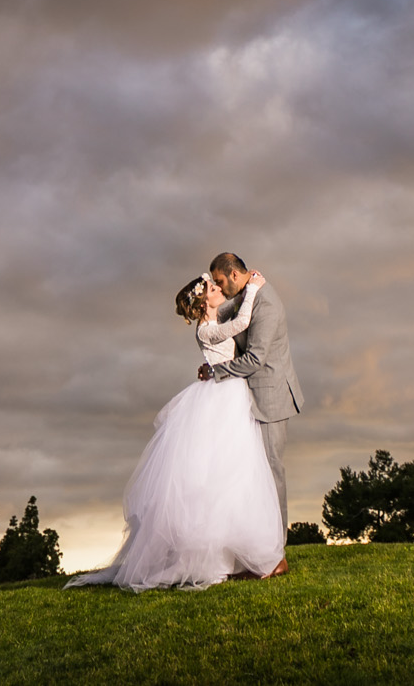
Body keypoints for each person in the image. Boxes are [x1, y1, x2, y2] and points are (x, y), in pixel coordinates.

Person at [67, 267, 288, 590]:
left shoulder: (213, 321)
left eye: (215, 284)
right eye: (210, 288)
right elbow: (241, 323)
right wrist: (254, 287)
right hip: (222, 397)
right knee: (223, 471)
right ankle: (233, 556)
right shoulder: (206, 329)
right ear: (202, 304)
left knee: (233, 471)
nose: (215, 288)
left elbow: (234, 321)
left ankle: (244, 553)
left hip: (228, 394)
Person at [200, 250, 304, 564]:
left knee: (272, 472)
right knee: (252, 474)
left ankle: (277, 551)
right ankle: (256, 546)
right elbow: (224, 310)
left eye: (219, 281)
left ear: (234, 274)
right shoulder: (247, 294)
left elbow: (256, 358)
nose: (219, 287)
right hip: (251, 397)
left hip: (271, 397)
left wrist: (216, 371)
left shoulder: (266, 302)